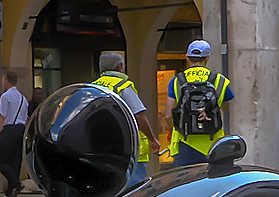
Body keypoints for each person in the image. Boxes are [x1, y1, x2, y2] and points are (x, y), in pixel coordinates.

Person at [95, 52, 163, 186]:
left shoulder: (94, 87)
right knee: (135, 188)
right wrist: (152, 139)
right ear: (120, 66)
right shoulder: (123, 86)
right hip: (128, 147)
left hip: (103, 148)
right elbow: (138, 115)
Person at [168, 40, 233, 165]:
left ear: (187, 57)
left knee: (185, 177)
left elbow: (167, 115)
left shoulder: (177, 81)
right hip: (213, 143)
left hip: (184, 143)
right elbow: (225, 108)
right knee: (214, 177)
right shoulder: (219, 80)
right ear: (207, 58)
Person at [0, 70, 31, 197]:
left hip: (9, 129)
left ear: (6, 81)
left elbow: (1, 117)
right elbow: (26, 119)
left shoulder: (5, 97)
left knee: (0, 161)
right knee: (14, 161)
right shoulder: (23, 99)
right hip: (21, 130)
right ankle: (10, 192)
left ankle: (16, 184)